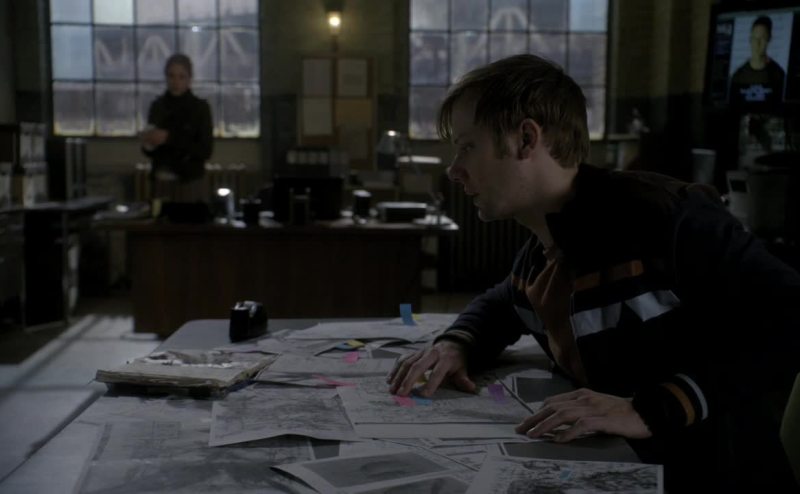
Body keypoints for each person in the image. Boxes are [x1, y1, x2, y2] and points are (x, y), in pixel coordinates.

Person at [386, 54, 800, 492]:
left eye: (468, 146)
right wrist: (458, 343)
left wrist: (651, 408)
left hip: (717, 474)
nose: (454, 170)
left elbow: (791, 316)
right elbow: (505, 301)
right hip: (616, 467)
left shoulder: (666, 219)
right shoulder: (543, 249)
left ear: (526, 139)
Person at [139, 53, 213, 201]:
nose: (176, 81)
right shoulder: (157, 106)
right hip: (161, 180)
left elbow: (205, 150)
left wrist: (169, 138)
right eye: (171, 76)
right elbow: (151, 152)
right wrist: (148, 143)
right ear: (166, 77)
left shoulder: (200, 108)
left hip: (189, 181)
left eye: (181, 76)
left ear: (189, 79)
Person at [729, 15, 786, 106]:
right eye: (755, 38)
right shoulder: (738, 76)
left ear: (769, 39)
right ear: (750, 39)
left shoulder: (778, 74)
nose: (757, 43)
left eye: (762, 38)